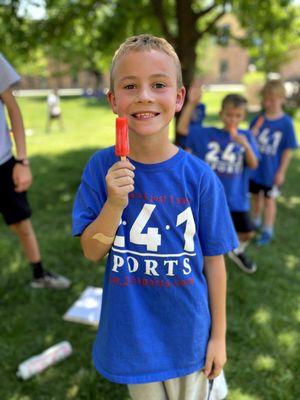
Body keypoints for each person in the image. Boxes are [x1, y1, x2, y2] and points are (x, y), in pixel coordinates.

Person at [72, 34, 238, 400]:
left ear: (179, 98)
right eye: (130, 86)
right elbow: (91, 251)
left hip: (188, 337)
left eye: (158, 84)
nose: (144, 95)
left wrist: (219, 337)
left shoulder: (200, 178)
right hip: (134, 338)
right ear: (114, 101)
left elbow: (215, 262)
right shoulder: (102, 167)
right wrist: (114, 203)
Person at [0, 53, 71, 289]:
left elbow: (14, 110)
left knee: (21, 223)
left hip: (4, 163)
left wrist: (22, 161)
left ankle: (40, 275)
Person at [180, 91, 259, 274]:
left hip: (236, 198)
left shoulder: (246, 136)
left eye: (238, 116)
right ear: (221, 113)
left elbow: (253, 164)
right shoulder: (206, 134)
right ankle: (199, 265)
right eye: (229, 114)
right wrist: (191, 103)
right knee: (204, 236)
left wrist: (245, 145)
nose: (232, 119)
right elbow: (183, 130)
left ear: (243, 117)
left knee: (248, 232)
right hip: (209, 198)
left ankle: (236, 250)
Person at [249, 79, 298, 245]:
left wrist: (281, 172)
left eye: (272, 100)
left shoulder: (286, 123)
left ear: (282, 99)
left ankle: (267, 229)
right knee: (256, 196)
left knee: (269, 200)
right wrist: (252, 133)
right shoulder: (259, 120)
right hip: (256, 169)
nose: (268, 103)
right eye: (266, 99)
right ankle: (255, 221)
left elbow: (287, 149)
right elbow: (249, 141)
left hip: (272, 170)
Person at [177, 81, 206, 148]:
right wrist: (191, 103)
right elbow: (181, 129)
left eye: (200, 89)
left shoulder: (202, 107)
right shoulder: (184, 105)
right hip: (185, 140)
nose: (198, 92)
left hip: (196, 137)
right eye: (195, 89)